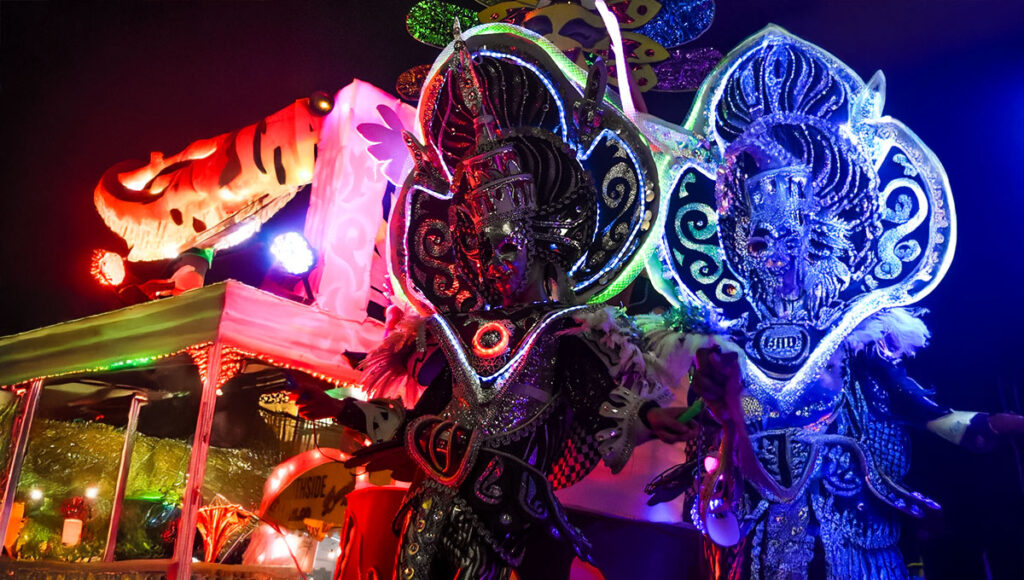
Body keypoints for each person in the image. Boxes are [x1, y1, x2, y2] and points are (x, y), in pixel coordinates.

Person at [293, 23, 698, 579]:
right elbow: (422, 423)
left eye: (504, 242)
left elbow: (599, 401)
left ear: (535, 238)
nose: (491, 260)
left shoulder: (563, 331)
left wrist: (654, 416)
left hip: (517, 535)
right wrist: (339, 408)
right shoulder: (458, 336)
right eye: (477, 247)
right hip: (431, 523)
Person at [640, 26, 1024, 579]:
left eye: (789, 238)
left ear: (817, 232)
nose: (774, 257)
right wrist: (705, 414)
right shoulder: (726, 342)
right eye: (758, 242)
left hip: (845, 523)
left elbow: (924, 410)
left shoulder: (852, 331)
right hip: (754, 529)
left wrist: (983, 423)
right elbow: (729, 415)